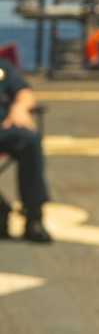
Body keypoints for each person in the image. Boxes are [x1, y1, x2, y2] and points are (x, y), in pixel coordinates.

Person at [0, 57, 53, 242]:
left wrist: (20, 108)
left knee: (29, 139)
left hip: (3, 129)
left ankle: (34, 216)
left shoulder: (2, 67)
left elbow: (24, 93)